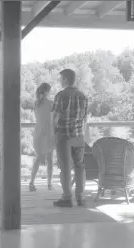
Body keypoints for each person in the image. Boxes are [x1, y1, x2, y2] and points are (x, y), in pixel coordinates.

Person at [52, 69, 88, 207]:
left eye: (61, 78)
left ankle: (67, 198)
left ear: (66, 79)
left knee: (65, 168)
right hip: (78, 136)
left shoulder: (61, 95)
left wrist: (53, 133)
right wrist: (81, 133)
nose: (60, 81)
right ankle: (80, 197)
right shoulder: (83, 96)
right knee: (80, 167)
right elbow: (85, 119)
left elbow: (54, 117)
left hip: (64, 136)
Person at [29, 83, 54, 191]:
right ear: (47, 92)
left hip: (39, 132)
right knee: (50, 160)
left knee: (37, 159)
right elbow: (54, 118)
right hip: (49, 133)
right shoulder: (51, 104)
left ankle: (31, 182)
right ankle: (49, 184)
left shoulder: (36, 104)